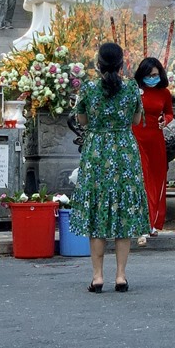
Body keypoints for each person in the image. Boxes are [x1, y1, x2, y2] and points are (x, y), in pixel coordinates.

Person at [70, 42, 149, 293]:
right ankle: (121, 276)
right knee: (123, 212)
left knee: (97, 211)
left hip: (97, 152)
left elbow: (81, 120)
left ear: (99, 64)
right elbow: (137, 119)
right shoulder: (131, 88)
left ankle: (97, 276)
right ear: (121, 63)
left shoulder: (89, 88)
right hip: (124, 150)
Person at [133, 57, 173, 244]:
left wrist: (165, 120)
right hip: (136, 138)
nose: (152, 78)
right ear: (142, 75)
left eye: (155, 75)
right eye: (149, 75)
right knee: (143, 179)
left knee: (157, 179)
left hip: (156, 139)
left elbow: (170, 113)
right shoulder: (134, 91)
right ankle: (141, 222)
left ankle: (154, 222)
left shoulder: (164, 92)